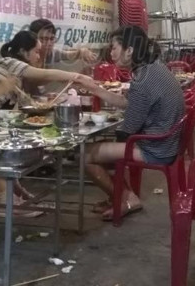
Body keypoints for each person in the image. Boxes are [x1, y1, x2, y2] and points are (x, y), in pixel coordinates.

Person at [76, 26, 185, 220]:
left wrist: (108, 133)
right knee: (105, 150)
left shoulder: (142, 80)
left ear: (129, 50)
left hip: (156, 149)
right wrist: (94, 88)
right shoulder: (154, 68)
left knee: (85, 154)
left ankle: (126, 198)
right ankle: (118, 195)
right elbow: (127, 103)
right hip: (167, 143)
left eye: (114, 48)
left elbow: (129, 128)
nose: (111, 53)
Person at [0, 30, 90, 110]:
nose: (38, 56)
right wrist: (77, 77)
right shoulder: (10, 62)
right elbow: (46, 75)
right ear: (23, 51)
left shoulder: (19, 71)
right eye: (36, 52)